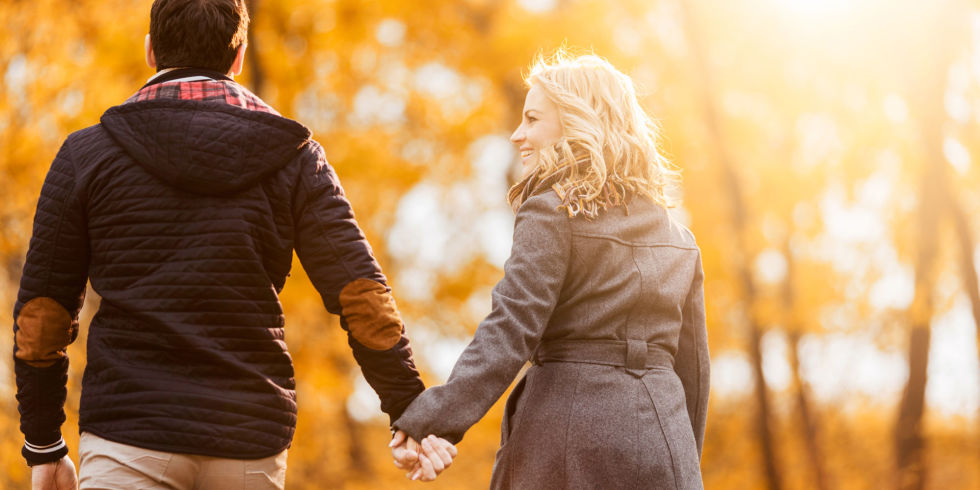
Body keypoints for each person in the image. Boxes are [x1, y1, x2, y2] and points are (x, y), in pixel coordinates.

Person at [13, 1, 454, 488]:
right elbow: (361, 294)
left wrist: (44, 442)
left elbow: (43, 314)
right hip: (249, 442)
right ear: (239, 55)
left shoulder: (87, 154)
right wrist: (408, 406)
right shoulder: (296, 159)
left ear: (150, 50)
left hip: (129, 434)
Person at [390, 53, 710, 488]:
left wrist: (434, 419)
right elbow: (693, 372)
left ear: (578, 122)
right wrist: (681, 459)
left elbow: (511, 327)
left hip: (566, 442)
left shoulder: (552, 210)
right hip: (664, 440)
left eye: (533, 119)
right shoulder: (680, 239)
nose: (517, 134)